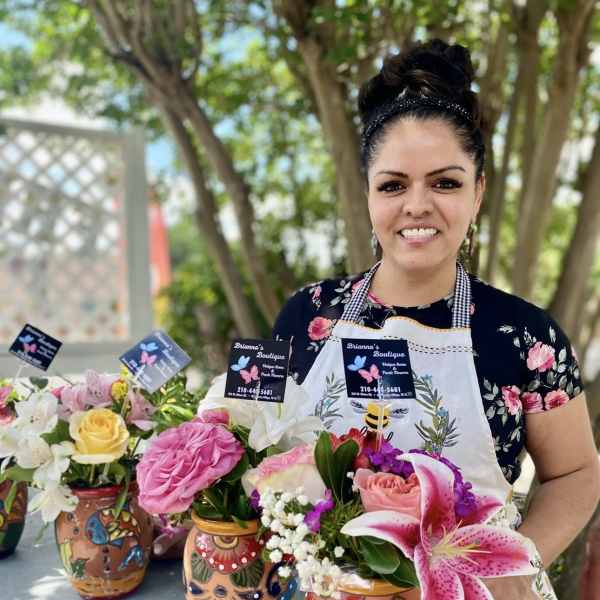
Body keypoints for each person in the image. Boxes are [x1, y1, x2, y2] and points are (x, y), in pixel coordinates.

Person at [272, 39, 600, 599]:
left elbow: (576, 472)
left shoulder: (528, 338)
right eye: (393, 184)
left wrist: (513, 569)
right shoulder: (306, 315)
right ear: (368, 194)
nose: (417, 205)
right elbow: (254, 445)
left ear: (478, 193)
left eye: (445, 182)